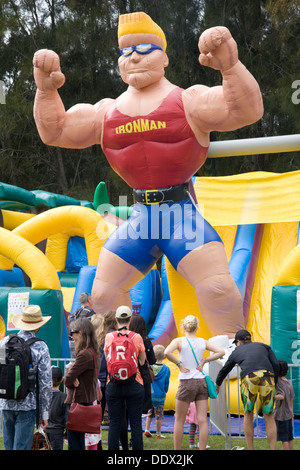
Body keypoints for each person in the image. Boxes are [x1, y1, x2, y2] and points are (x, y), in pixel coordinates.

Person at [33, 12, 263, 340]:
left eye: (143, 47)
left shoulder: (189, 100)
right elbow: (55, 131)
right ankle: (126, 357)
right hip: (142, 217)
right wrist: (45, 90)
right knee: (102, 294)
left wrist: (230, 66)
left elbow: (246, 110)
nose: (134, 55)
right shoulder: (105, 112)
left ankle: (236, 357)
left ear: (164, 57)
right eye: (126, 51)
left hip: (179, 213)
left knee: (216, 287)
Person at [164, 315, 225, 450]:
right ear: (197, 328)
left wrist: (179, 364)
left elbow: (167, 352)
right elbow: (221, 351)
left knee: (179, 420)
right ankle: (202, 448)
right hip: (201, 381)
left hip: (186, 382)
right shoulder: (203, 342)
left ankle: (177, 450)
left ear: (183, 327)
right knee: (202, 420)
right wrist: (205, 360)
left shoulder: (179, 341)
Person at [215, 329, 280, 450]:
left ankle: (250, 448)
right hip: (268, 376)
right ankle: (273, 448)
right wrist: (274, 383)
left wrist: (217, 384)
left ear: (238, 342)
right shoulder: (265, 347)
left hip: (249, 378)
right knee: (269, 415)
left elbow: (225, 369)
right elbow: (276, 365)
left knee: (248, 414)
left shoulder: (236, 351)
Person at [0, 305, 52, 450]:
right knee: (22, 447)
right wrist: (44, 414)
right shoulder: (40, 347)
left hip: (6, 403)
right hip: (27, 405)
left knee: (9, 446)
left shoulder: (5, 342)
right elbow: (46, 384)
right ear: (37, 326)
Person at [104, 305, 146, 450]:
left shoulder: (109, 337)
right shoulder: (137, 337)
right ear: (130, 319)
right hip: (134, 382)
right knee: (135, 422)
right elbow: (141, 361)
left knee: (115, 422)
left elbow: (107, 359)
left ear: (116, 319)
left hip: (113, 383)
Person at [64, 317, 101, 450]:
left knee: (75, 443)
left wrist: (71, 376)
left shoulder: (84, 355)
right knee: (78, 441)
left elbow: (68, 380)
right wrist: (72, 376)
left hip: (79, 402)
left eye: (72, 333)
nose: (71, 337)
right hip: (86, 400)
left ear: (80, 333)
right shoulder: (93, 352)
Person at [144, 344, 170, 439]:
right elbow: (166, 383)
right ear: (164, 355)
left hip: (150, 396)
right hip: (160, 396)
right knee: (159, 415)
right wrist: (165, 391)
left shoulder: (149, 367)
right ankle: (158, 433)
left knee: (150, 413)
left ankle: (147, 430)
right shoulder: (166, 369)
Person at [45, 366, 67, 450]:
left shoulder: (44, 395)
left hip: (45, 430)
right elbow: (66, 416)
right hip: (58, 431)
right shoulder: (64, 397)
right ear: (62, 379)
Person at [274, 360, 294, 450]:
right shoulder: (289, 382)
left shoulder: (278, 382)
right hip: (289, 414)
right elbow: (291, 398)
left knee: (284, 439)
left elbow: (281, 396)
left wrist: (271, 397)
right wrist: (290, 409)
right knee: (290, 438)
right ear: (287, 371)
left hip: (281, 415)